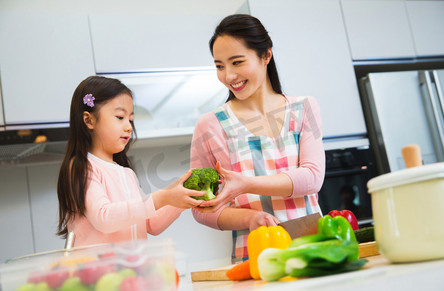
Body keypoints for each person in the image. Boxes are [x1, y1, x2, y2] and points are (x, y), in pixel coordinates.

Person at [190, 14, 326, 263]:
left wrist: (245, 184)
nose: (229, 76)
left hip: (315, 248)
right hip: (255, 259)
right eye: (220, 66)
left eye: (237, 62)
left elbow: (312, 178)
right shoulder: (209, 126)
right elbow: (201, 208)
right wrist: (249, 219)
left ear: (266, 56)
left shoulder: (304, 108)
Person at [57, 76, 207, 247]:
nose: (129, 126)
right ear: (89, 120)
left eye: (131, 119)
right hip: (98, 272)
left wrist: (180, 198)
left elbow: (152, 225)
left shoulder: (127, 173)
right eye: (120, 117)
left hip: (132, 270)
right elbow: (104, 218)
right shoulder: (82, 167)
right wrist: (162, 197)